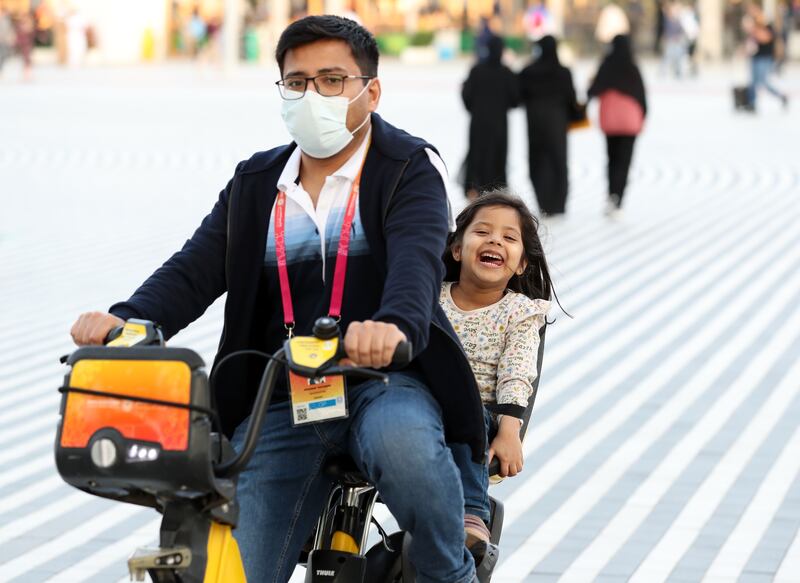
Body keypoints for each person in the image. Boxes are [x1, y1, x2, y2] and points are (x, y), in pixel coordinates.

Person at [69, 15, 486, 583]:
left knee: (405, 446)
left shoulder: (408, 168)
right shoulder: (257, 182)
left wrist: (393, 326)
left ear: (372, 90)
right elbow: (193, 269)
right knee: (230, 562)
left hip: (386, 380)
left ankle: (449, 572)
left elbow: (416, 261)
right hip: (284, 391)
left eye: (333, 79)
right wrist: (126, 317)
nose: (313, 94)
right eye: (298, 82)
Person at [440, 191, 551, 555]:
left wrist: (509, 431)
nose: (494, 241)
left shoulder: (520, 313)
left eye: (508, 237)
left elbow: (518, 373)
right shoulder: (430, 296)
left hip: (479, 414)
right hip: (422, 399)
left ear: (521, 264)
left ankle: (473, 512)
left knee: (465, 418)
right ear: (457, 249)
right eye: (483, 232)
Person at [588, 34, 647, 219]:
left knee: (612, 159)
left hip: (610, 121)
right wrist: (643, 117)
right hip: (630, 122)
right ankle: (619, 199)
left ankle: (611, 196)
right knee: (624, 162)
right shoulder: (633, 68)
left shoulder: (606, 66)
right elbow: (642, 97)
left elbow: (593, 90)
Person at [518, 35, 578, 218]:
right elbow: (571, 97)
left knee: (537, 162)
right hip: (557, 122)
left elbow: (518, 96)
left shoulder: (528, 71)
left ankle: (543, 203)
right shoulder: (563, 72)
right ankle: (558, 203)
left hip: (534, 121)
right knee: (558, 161)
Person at [461, 35, 519, 200]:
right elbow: (515, 100)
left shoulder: (477, 70)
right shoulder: (506, 73)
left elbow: (467, 96)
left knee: (478, 154)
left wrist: (474, 109)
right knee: (497, 155)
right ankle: (496, 189)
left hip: (479, 122)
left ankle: (475, 188)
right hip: (499, 123)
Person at [743, 3, 789, 111]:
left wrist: (753, 30)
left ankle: (781, 96)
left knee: (763, 82)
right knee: (753, 81)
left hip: (765, 57)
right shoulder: (753, 24)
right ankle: (751, 103)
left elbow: (766, 38)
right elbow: (751, 42)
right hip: (755, 56)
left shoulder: (767, 24)